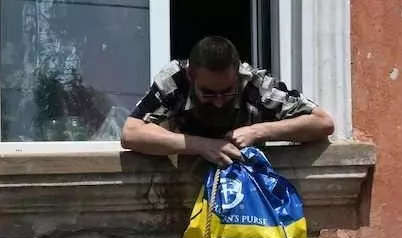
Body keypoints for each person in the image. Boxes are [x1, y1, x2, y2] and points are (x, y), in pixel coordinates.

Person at [121, 35, 336, 166]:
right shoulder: (175, 80)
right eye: (208, 93)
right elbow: (131, 133)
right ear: (190, 76)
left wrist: (258, 131)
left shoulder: (254, 84)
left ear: (238, 77)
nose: (218, 102)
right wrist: (202, 146)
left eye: (227, 92)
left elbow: (322, 122)